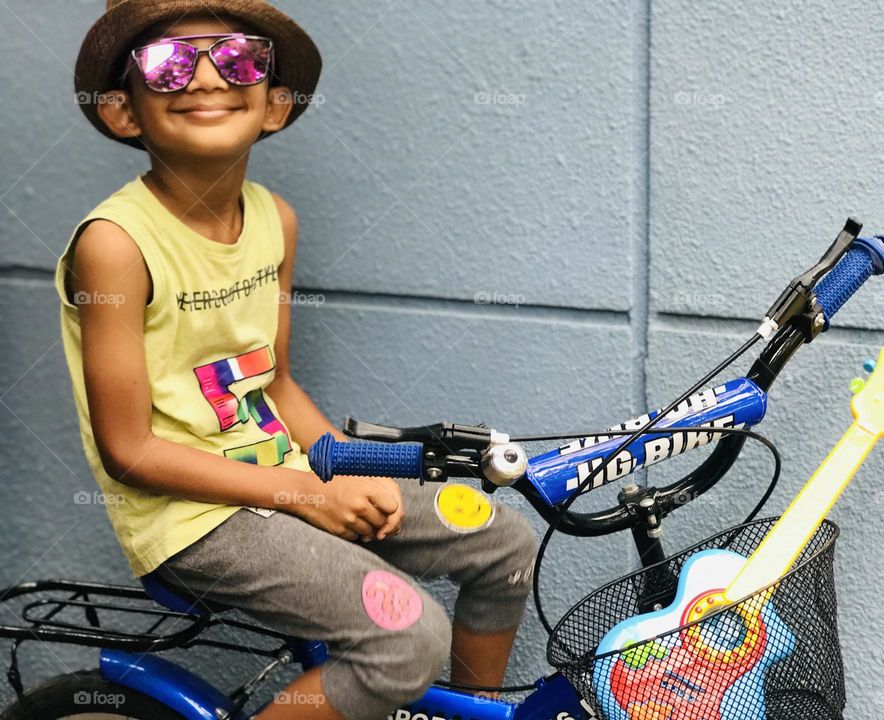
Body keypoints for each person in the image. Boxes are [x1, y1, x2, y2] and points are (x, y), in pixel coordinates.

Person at [56, 2, 538, 718]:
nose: (209, 75)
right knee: (407, 638)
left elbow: (272, 382)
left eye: (239, 57)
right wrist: (312, 495)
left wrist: (349, 468)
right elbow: (128, 451)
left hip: (286, 477)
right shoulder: (116, 245)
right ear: (125, 111)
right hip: (192, 521)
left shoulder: (275, 219)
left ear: (276, 105)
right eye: (170, 62)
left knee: (502, 541)